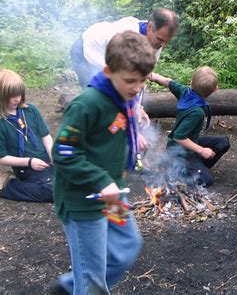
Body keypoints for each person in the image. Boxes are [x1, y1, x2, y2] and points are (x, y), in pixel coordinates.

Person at [51, 31, 156, 294]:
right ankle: (83, 286)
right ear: (108, 70)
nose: (136, 88)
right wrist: (100, 180)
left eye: (142, 82)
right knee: (93, 279)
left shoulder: (124, 99)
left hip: (112, 196)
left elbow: (112, 134)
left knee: (128, 245)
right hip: (84, 203)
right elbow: (62, 151)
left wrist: (134, 141)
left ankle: (70, 286)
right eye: (130, 81)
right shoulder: (87, 104)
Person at [149, 67, 230, 186]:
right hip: (178, 152)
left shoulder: (185, 91)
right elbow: (179, 137)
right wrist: (202, 150)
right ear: (215, 89)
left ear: (191, 83)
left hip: (190, 143)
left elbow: (168, 82)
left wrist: (153, 76)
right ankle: (177, 170)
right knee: (207, 180)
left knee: (223, 142)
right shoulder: (196, 113)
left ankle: (197, 166)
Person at [0, 69, 53, 202]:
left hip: (46, 162)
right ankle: (5, 186)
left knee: (71, 181)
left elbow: (45, 136)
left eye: (19, 94)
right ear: (0, 96)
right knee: (52, 191)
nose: (17, 99)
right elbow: (1, 157)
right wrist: (29, 162)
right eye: (12, 95)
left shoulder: (30, 110)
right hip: (26, 168)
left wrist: (54, 156)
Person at [71, 7, 179, 89]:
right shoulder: (125, 35)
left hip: (107, 60)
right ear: (150, 27)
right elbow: (118, 75)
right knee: (96, 97)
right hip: (86, 50)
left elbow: (140, 75)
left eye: (167, 41)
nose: (163, 45)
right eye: (160, 39)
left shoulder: (156, 41)